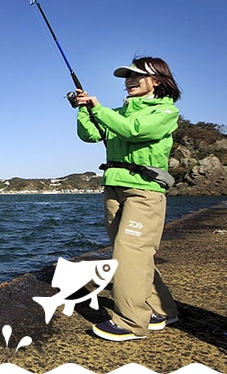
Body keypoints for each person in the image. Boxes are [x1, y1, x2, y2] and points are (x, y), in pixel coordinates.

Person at [75, 56, 181, 341]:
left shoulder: (166, 112)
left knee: (129, 253)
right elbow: (90, 135)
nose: (130, 80)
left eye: (137, 75)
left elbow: (135, 130)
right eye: (127, 76)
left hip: (144, 192)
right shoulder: (119, 112)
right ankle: (164, 310)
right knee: (132, 254)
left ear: (157, 80)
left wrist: (98, 108)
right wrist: (84, 110)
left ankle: (131, 322)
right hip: (113, 188)